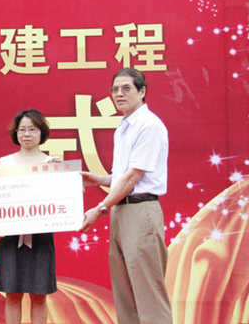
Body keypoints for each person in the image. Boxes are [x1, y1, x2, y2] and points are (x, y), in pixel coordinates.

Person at [78, 68, 172, 324]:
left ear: (142, 92)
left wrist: (100, 208)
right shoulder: (123, 127)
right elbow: (122, 176)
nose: (119, 94)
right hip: (121, 211)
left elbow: (133, 177)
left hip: (140, 212)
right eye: (115, 89)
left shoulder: (149, 125)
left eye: (126, 88)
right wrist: (99, 180)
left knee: (148, 293)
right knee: (125, 293)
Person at [0, 109, 61, 324]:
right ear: (16, 133)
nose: (26, 134)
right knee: (12, 295)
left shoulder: (52, 163)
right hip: (10, 236)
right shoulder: (5, 163)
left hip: (41, 236)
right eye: (22, 129)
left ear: (42, 133)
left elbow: (64, 198)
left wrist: (60, 173)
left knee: (39, 295)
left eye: (32, 129)